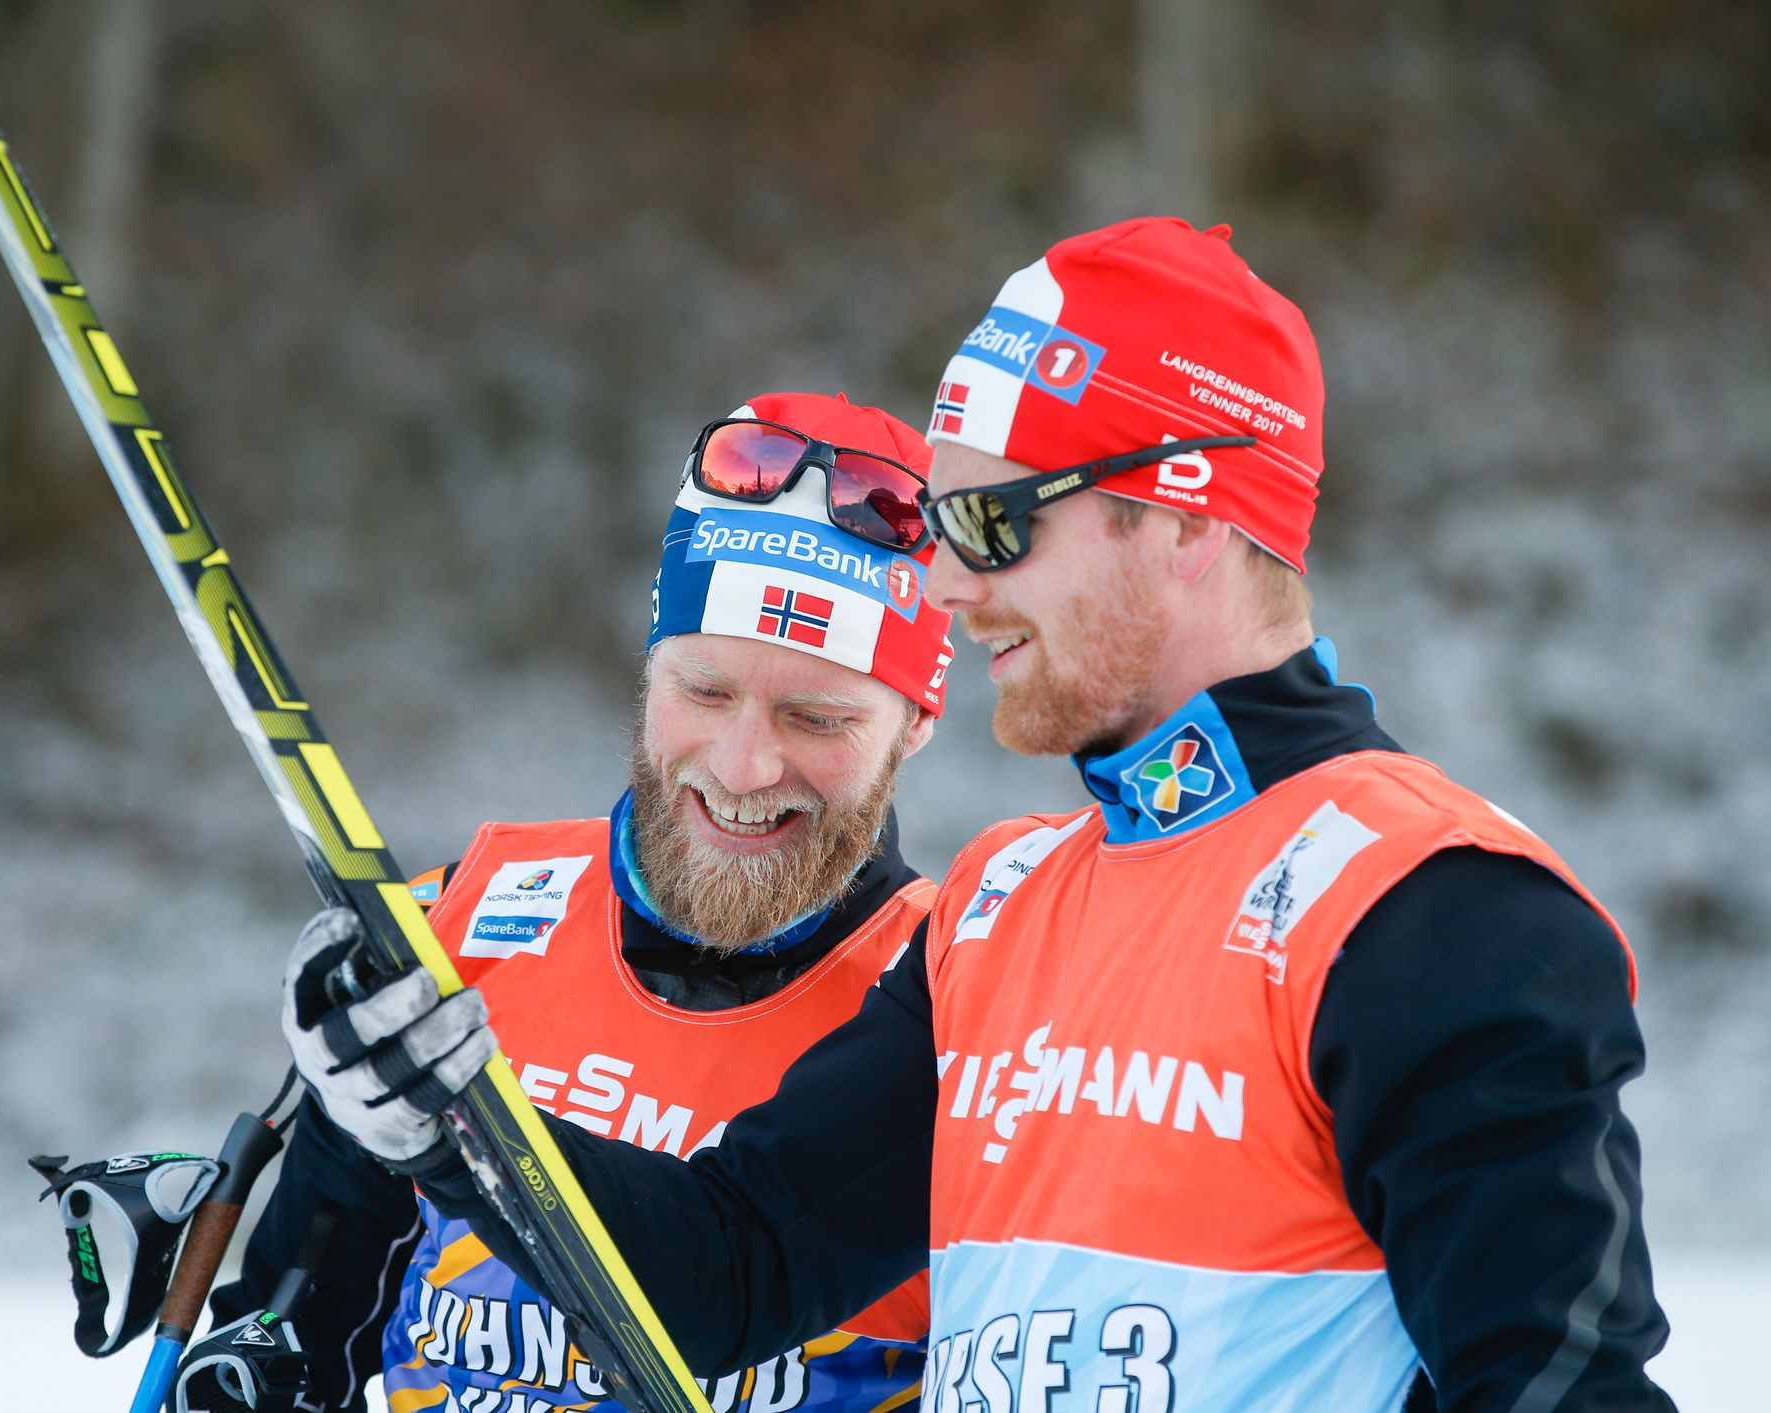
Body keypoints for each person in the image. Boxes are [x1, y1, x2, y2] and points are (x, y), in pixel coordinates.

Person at [286, 220, 1675, 1411]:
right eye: (944, 525)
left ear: (1187, 515)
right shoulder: (1004, 909)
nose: (948, 586)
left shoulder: (1423, 906)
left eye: (998, 522)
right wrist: (439, 1118)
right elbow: (725, 1271)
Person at [223, 391, 956, 1412]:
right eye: (702, 692)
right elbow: (290, 1336)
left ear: (913, 724)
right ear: (647, 672)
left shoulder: (962, 996)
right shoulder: (462, 919)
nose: (744, 766)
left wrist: (456, 1130)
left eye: (816, 716)